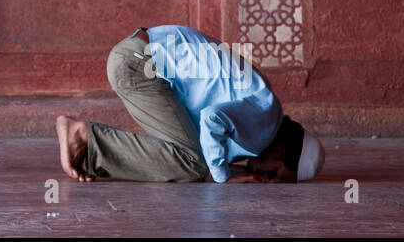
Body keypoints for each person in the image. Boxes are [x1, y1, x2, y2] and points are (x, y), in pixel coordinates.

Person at [55, 25, 325, 184]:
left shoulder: (264, 111)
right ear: (282, 150)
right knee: (194, 164)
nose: (270, 180)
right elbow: (211, 118)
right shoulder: (264, 120)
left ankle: (88, 145)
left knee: (192, 157)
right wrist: (223, 177)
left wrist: (226, 166)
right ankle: (84, 138)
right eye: (278, 173)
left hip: (135, 55)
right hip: (138, 63)